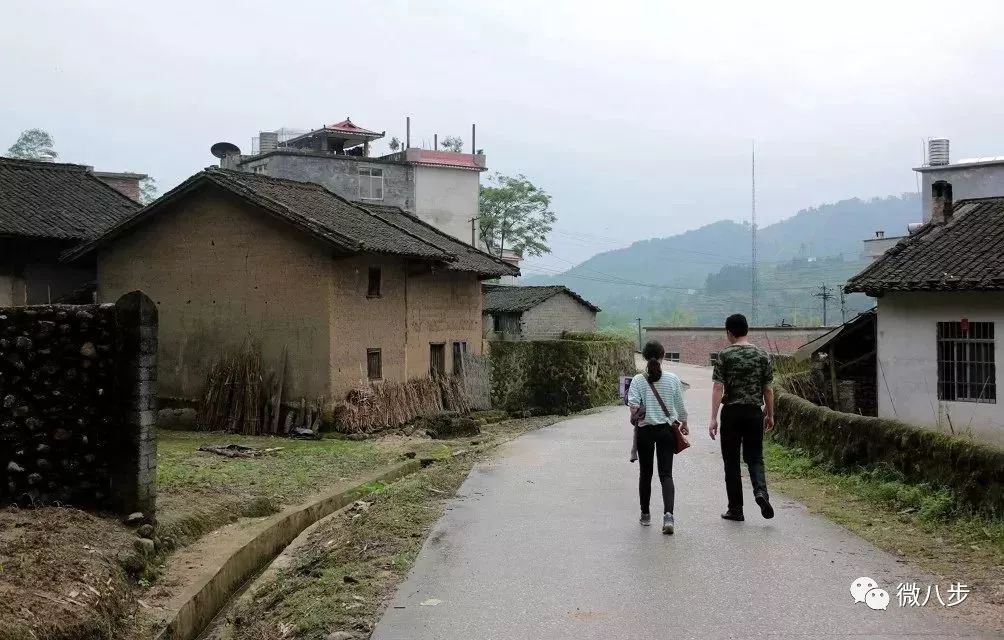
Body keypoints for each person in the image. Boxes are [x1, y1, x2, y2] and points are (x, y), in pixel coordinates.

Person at [708, 314, 775, 521]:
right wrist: (770, 415)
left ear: (729, 332)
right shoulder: (762, 355)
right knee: (755, 457)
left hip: (732, 414)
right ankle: (761, 492)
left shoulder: (725, 355)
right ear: (746, 330)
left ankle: (736, 509)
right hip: (754, 412)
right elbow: (768, 389)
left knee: (731, 461)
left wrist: (713, 417)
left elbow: (718, 387)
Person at [627, 340, 688, 534]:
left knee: (646, 474)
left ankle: (645, 515)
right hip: (666, 431)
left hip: (645, 431)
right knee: (666, 474)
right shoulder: (673, 379)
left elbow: (634, 407)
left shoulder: (637, 380)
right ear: (662, 356)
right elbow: (680, 406)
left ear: (644, 356)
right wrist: (684, 423)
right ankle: (668, 516)